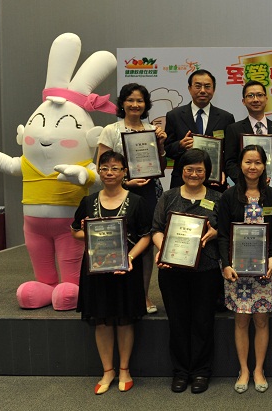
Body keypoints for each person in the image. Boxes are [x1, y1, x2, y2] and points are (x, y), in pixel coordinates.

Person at [71, 151, 152, 394]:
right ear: (98, 171)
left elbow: (146, 236)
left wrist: (129, 258)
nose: (109, 173)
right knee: (101, 321)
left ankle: (124, 369)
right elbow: (75, 231)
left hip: (126, 269)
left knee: (125, 320)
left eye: (115, 168)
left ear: (125, 172)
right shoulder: (88, 201)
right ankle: (108, 371)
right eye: (104, 168)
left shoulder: (137, 202)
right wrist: (86, 232)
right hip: (96, 270)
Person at [216, 145, 272, 394]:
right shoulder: (228, 196)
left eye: (257, 162)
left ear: (264, 166)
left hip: (265, 268)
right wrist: (226, 264)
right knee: (242, 320)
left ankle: (258, 369)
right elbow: (223, 234)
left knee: (262, 320)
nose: (252, 167)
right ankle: (244, 369)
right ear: (240, 165)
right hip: (237, 270)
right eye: (248, 162)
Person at [151, 149, 221, 394]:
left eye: (199, 170)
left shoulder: (217, 198)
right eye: (189, 169)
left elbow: (225, 229)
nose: (194, 174)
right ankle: (181, 372)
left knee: (203, 321)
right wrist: (164, 250)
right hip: (173, 270)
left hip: (206, 270)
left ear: (207, 172)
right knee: (178, 321)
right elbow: (156, 229)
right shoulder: (168, 197)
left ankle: (201, 371)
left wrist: (215, 232)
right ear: (181, 171)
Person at [97, 83, 168, 314]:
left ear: (146, 104)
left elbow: (161, 166)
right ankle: (117, 295)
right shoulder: (110, 130)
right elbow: (100, 167)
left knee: (146, 245)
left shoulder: (152, 130)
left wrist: (160, 143)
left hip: (149, 192)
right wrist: (126, 182)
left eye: (140, 100)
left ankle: (144, 295)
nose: (135, 105)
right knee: (119, 241)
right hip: (120, 192)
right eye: (130, 100)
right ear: (122, 103)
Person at [164, 69, 235, 190]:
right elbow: (166, 149)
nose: (202, 90)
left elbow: (230, 154)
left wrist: (223, 172)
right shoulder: (174, 115)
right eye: (198, 86)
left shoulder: (226, 118)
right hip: (182, 181)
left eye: (207, 86)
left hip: (214, 182)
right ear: (189, 88)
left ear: (213, 90)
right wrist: (180, 145)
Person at [224, 80, 272, 182]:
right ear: (243, 101)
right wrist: (246, 182)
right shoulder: (234, 129)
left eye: (260, 95)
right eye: (250, 96)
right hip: (244, 187)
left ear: (266, 99)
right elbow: (230, 163)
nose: (256, 99)